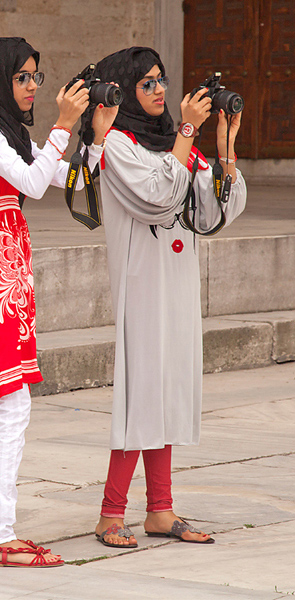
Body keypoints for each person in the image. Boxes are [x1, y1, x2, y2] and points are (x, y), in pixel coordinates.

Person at [0, 37, 118, 567]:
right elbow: (33, 182)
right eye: (22, 77)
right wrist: (64, 124)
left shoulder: (4, 131)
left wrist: (96, 136)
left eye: (35, 78)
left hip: (3, 272)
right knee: (11, 404)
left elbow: (63, 175)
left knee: (1, 407)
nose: (31, 87)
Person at [93, 47, 247, 547]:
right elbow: (159, 195)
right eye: (147, 84)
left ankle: (160, 510)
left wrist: (223, 144)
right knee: (142, 395)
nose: (160, 91)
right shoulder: (116, 145)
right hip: (142, 284)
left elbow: (214, 214)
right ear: (125, 91)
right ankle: (110, 513)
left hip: (177, 280)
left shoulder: (173, 144)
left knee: (167, 392)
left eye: (162, 81)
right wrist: (185, 133)